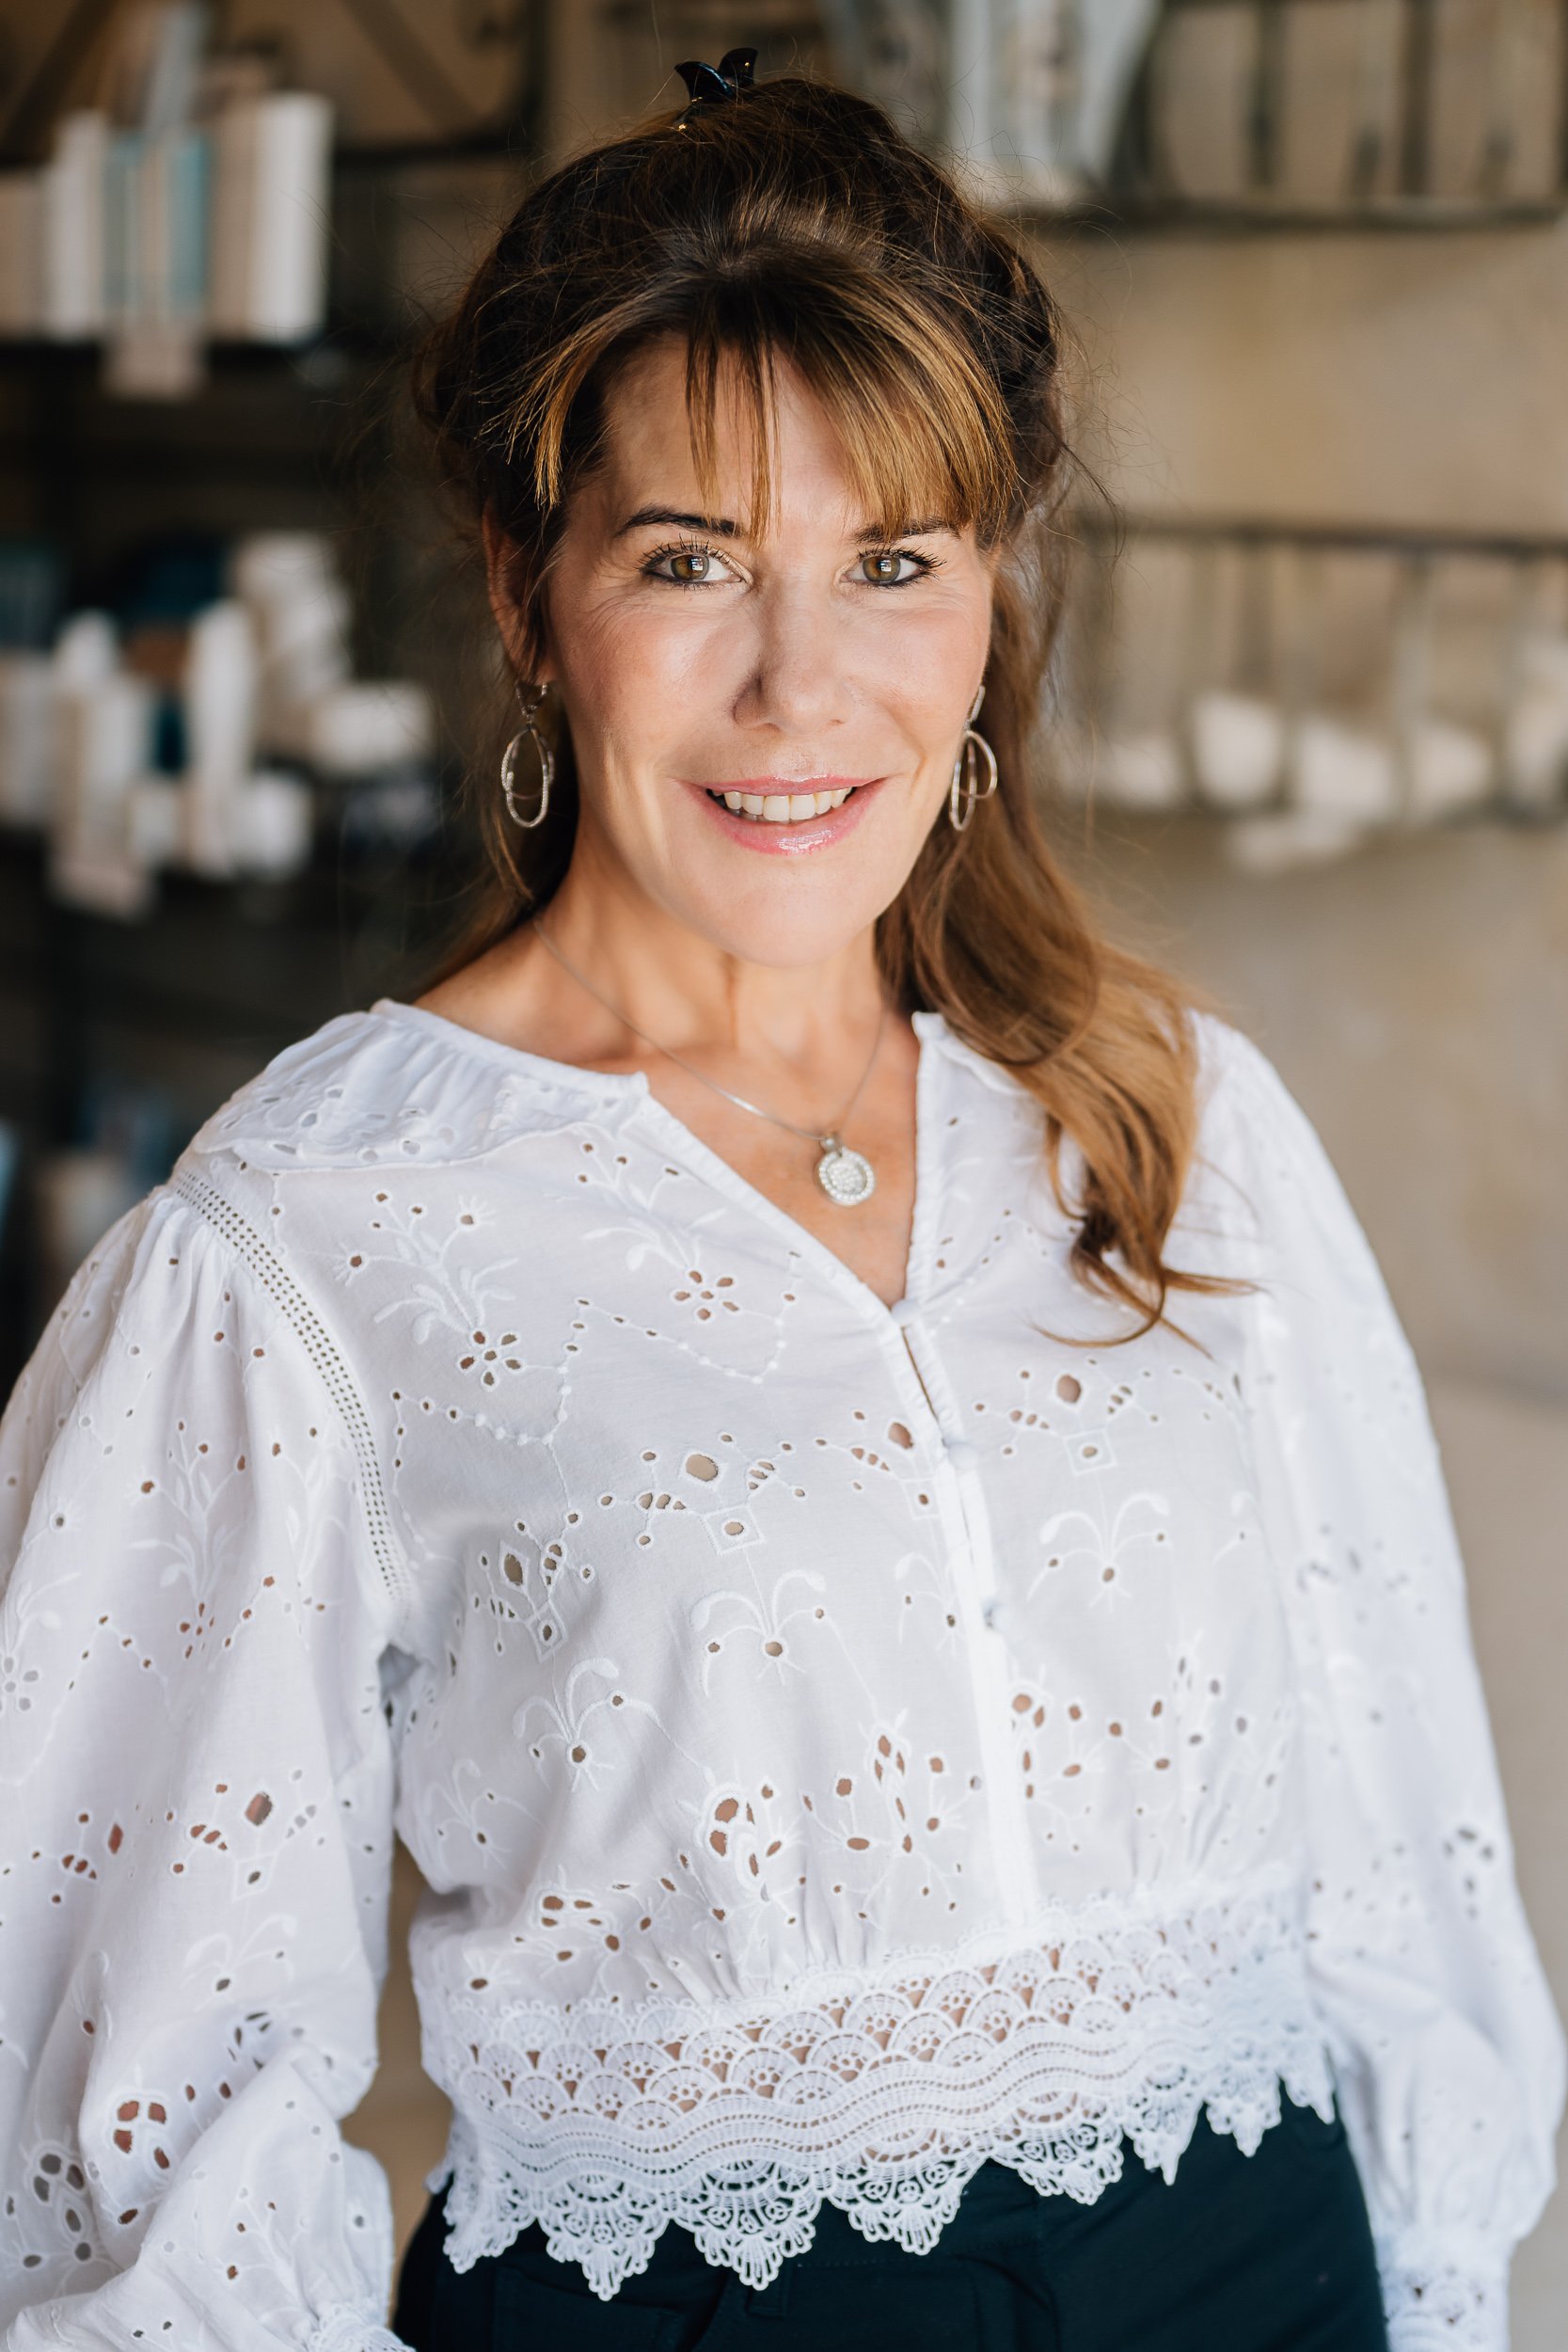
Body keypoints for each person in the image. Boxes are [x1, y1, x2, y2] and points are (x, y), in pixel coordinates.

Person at [0, 53, 1560, 2352]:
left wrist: (1429, 2287)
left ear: (989, 605)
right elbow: (141, 2114)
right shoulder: (305, 1245)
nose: (800, 684)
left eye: (892, 564)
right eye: (690, 561)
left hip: (1270, 2272)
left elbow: (1399, 1856)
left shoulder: (1166, 1117)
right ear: (532, 606)